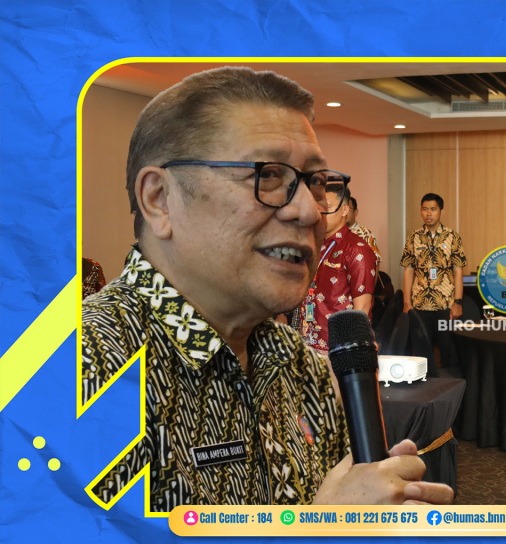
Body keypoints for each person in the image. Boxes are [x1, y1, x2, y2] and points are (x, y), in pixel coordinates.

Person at [81, 66, 453, 511]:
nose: (309, 212)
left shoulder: (300, 364)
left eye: (316, 183)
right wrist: (322, 533)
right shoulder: (77, 367)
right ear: (160, 199)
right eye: (268, 175)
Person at [301, 185, 378, 353]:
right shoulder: (316, 244)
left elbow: (362, 309)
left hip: (338, 348)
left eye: (327, 207)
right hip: (309, 343)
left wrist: (347, 354)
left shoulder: (357, 249)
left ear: (344, 211)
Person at [401, 193, 466, 367]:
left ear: (441, 212)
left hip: (445, 305)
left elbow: (458, 271)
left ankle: (449, 382)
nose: (428, 213)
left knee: (448, 352)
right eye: (425, 209)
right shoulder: (413, 237)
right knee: (422, 353)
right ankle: (424, 383)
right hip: (419, 304)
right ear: (420, 211)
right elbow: (408, 271)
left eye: (433, 209)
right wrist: (406, 303)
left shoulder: (452, 236)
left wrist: (458, 302)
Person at [343, 193, 381, 266]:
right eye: (343, 209)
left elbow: (376, 261)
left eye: (348, 209)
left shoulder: (366, 233)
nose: (345, 212)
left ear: (355, 212)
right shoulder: (334, 232)